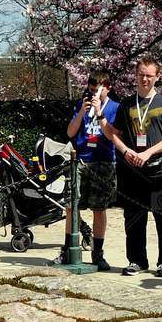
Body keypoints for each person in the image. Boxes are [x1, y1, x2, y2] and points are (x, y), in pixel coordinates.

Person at [105, 55, 162, 277]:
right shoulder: (127, 104)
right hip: (133, 172)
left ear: (157, 77)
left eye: (149, 75)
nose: (145, 79)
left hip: (161, 171)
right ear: (135, 76)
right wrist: (125, 151)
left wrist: (148, 152)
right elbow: (115, 134)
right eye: (141, 75)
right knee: (134, 218)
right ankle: (137, 260)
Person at [65, 70, 120, 271]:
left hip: (103, 161)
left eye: (99, 90)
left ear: (108, 88)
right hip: (81, 159)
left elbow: (113, 135)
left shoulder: (115, 108)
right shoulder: (81, 105)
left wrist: (99, 113)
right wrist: (82, 112)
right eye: (92, 90)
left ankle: (98, 253)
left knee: (99, 209)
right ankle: (68, 249)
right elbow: (70, 132)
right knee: (71, 205)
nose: (95, 94)